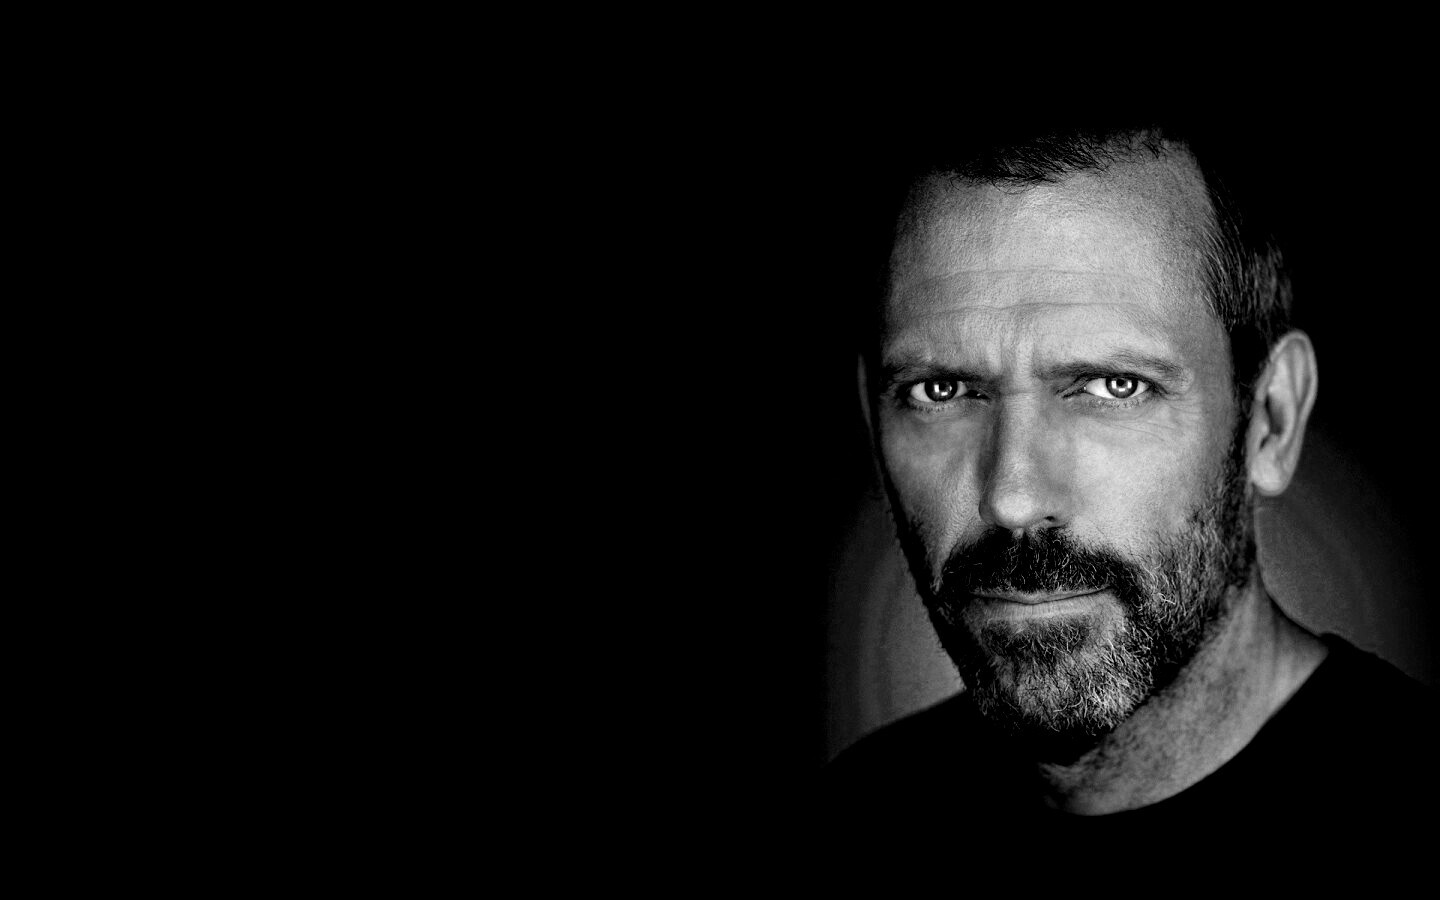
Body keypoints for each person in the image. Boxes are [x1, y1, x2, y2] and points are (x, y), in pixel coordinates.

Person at [823, 123, 1436, 855]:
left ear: (1270, 420)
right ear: (873, 422)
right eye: (941, 390)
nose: (1013, 498)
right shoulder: (850, 823)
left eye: (1114, 387)